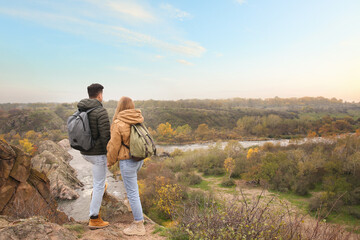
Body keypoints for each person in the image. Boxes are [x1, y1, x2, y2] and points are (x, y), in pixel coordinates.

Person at [107, 96, 146, 236]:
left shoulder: (118, 123)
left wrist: (110, 162)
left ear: (119, 107)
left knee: (133, 192)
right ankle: (131, 204)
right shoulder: (138, 118)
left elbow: (113, 147)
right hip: (139, 159)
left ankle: (139, 224)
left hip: (127, 160)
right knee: (132, 189)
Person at [77, 83, 110, 229]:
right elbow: (105, 137)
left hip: (85, 151)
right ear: (100, 95)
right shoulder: (100, 111)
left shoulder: (81, 109)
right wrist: (111, 156)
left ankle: (101, 186)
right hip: (97, 154)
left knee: (98, 180)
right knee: (98, 184)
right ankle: (94, 218)